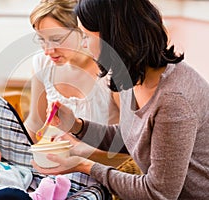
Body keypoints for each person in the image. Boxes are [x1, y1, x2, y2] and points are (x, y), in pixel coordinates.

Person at [31, 0, 209, 199]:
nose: (83, 44)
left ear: (113, 37)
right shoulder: (132, 75)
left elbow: (158, 193)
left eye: (87, 36)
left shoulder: (174, 100)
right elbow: (130, 133)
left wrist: (83, 165)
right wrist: (76, 125)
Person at [25, 0, 123, 195]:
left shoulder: (113, 72)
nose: (47, 50)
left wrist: (76, 151)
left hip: (105, 175)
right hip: (57, 174)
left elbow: (128, 145)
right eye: (42, 40)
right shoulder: (43, 63)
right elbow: (35, 123)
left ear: (81, 30)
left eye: (56, 39)